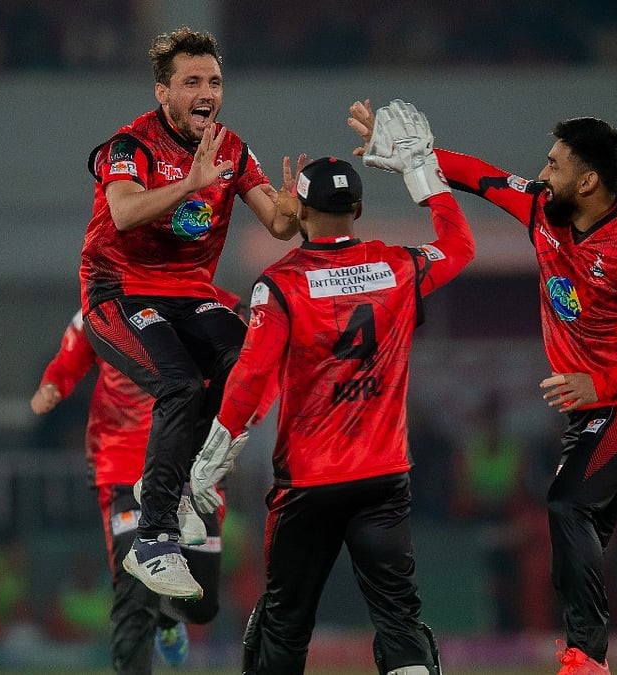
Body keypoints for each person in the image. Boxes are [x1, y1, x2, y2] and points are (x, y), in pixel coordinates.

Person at [349, 100, 617, 674]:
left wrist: (601, 381)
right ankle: (584, 651)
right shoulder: (543, 209)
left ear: (588, 180)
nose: (542, 174)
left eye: (555, 165)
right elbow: (480, 177)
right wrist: (419, 157)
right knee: (570, 543)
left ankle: (586, 658)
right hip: (590, 410)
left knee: (565, 506)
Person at [191, 100, 475, 675]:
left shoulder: (280, 286)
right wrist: (419, 168)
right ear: (359, 208)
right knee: (398, 618)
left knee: (284, 622)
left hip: (308, 483)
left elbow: (249, 381)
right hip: (384, 478)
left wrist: (209, 461)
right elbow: (461, 244)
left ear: (300, 209)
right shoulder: (399, 266)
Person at [78, 25, 299, 601]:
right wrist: (191, 185)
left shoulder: (231, 148)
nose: (207, 92)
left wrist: (293, 212)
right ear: (162, 92)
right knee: (179, 384)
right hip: (119, 292)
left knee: (250, 360)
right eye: (192, 81)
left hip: (187, 291)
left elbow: (276, 225)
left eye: (215, 81)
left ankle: (181, 484)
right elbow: (124, 214)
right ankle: (152, 540)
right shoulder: (130, 147)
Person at [30, 290, 247, 672]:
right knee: (133, 593)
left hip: (190, 472)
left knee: (202, 603)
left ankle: (169, 618)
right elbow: (69, 359)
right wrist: (53, 385)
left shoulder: (216, 308)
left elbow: (251, 372)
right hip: (122, 465)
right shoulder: (102, 309)